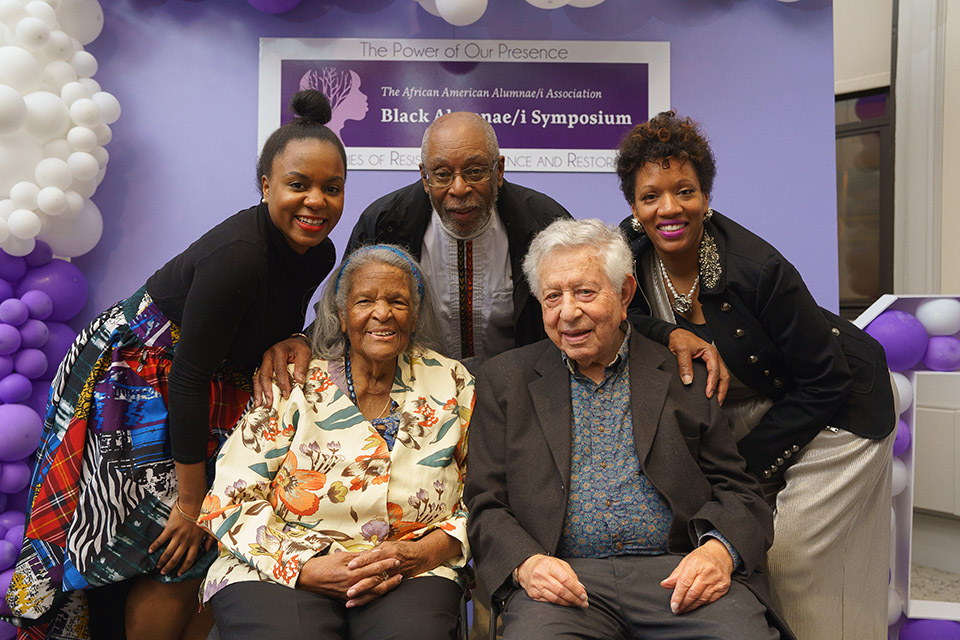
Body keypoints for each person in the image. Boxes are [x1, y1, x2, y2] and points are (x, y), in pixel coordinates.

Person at [4, 90, 346, 640]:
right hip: (130, 377)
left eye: (332, 188)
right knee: (154, 541)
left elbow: (263, 328)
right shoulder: (241, 255)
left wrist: (297, 338)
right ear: (266, 187)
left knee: (198, 550)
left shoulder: (320, 253)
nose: (315, 202)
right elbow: (188, 376)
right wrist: (191, 503)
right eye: (297, 184)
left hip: (199, 381)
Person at [615, 111, 896, 639]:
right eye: (651, 196)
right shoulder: (623, 254)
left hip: (838, 408)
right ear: (633, 206)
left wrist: (743, 470)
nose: (669, 209)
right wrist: (669, 332)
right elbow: (610, 311)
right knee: (741, 549)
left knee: (791, 555)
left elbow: (825, 381)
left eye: (685, 191)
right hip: (759, 404)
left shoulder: (757, 268)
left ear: (707, 196)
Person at [464, 218, 793, 640]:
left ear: (623, 294)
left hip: (678, 572)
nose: (568, 312)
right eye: (553, 297)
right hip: (565, 580)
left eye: (585, 292)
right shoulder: (504, 381)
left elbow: (737, 488)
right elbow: (485, 502)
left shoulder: (683, 373)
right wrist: (526, 562)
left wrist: (717, 552)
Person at [197, 245, 472, 640]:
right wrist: (304, 566)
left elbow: (480, 496)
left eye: (397, 301)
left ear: (414, 314)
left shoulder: (454, 383)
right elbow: (230, 497)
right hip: (280, 564)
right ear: (342, 316)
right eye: (365, 301)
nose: (382, 313)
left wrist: (423, 554)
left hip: (408, 567)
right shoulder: (294, 383)